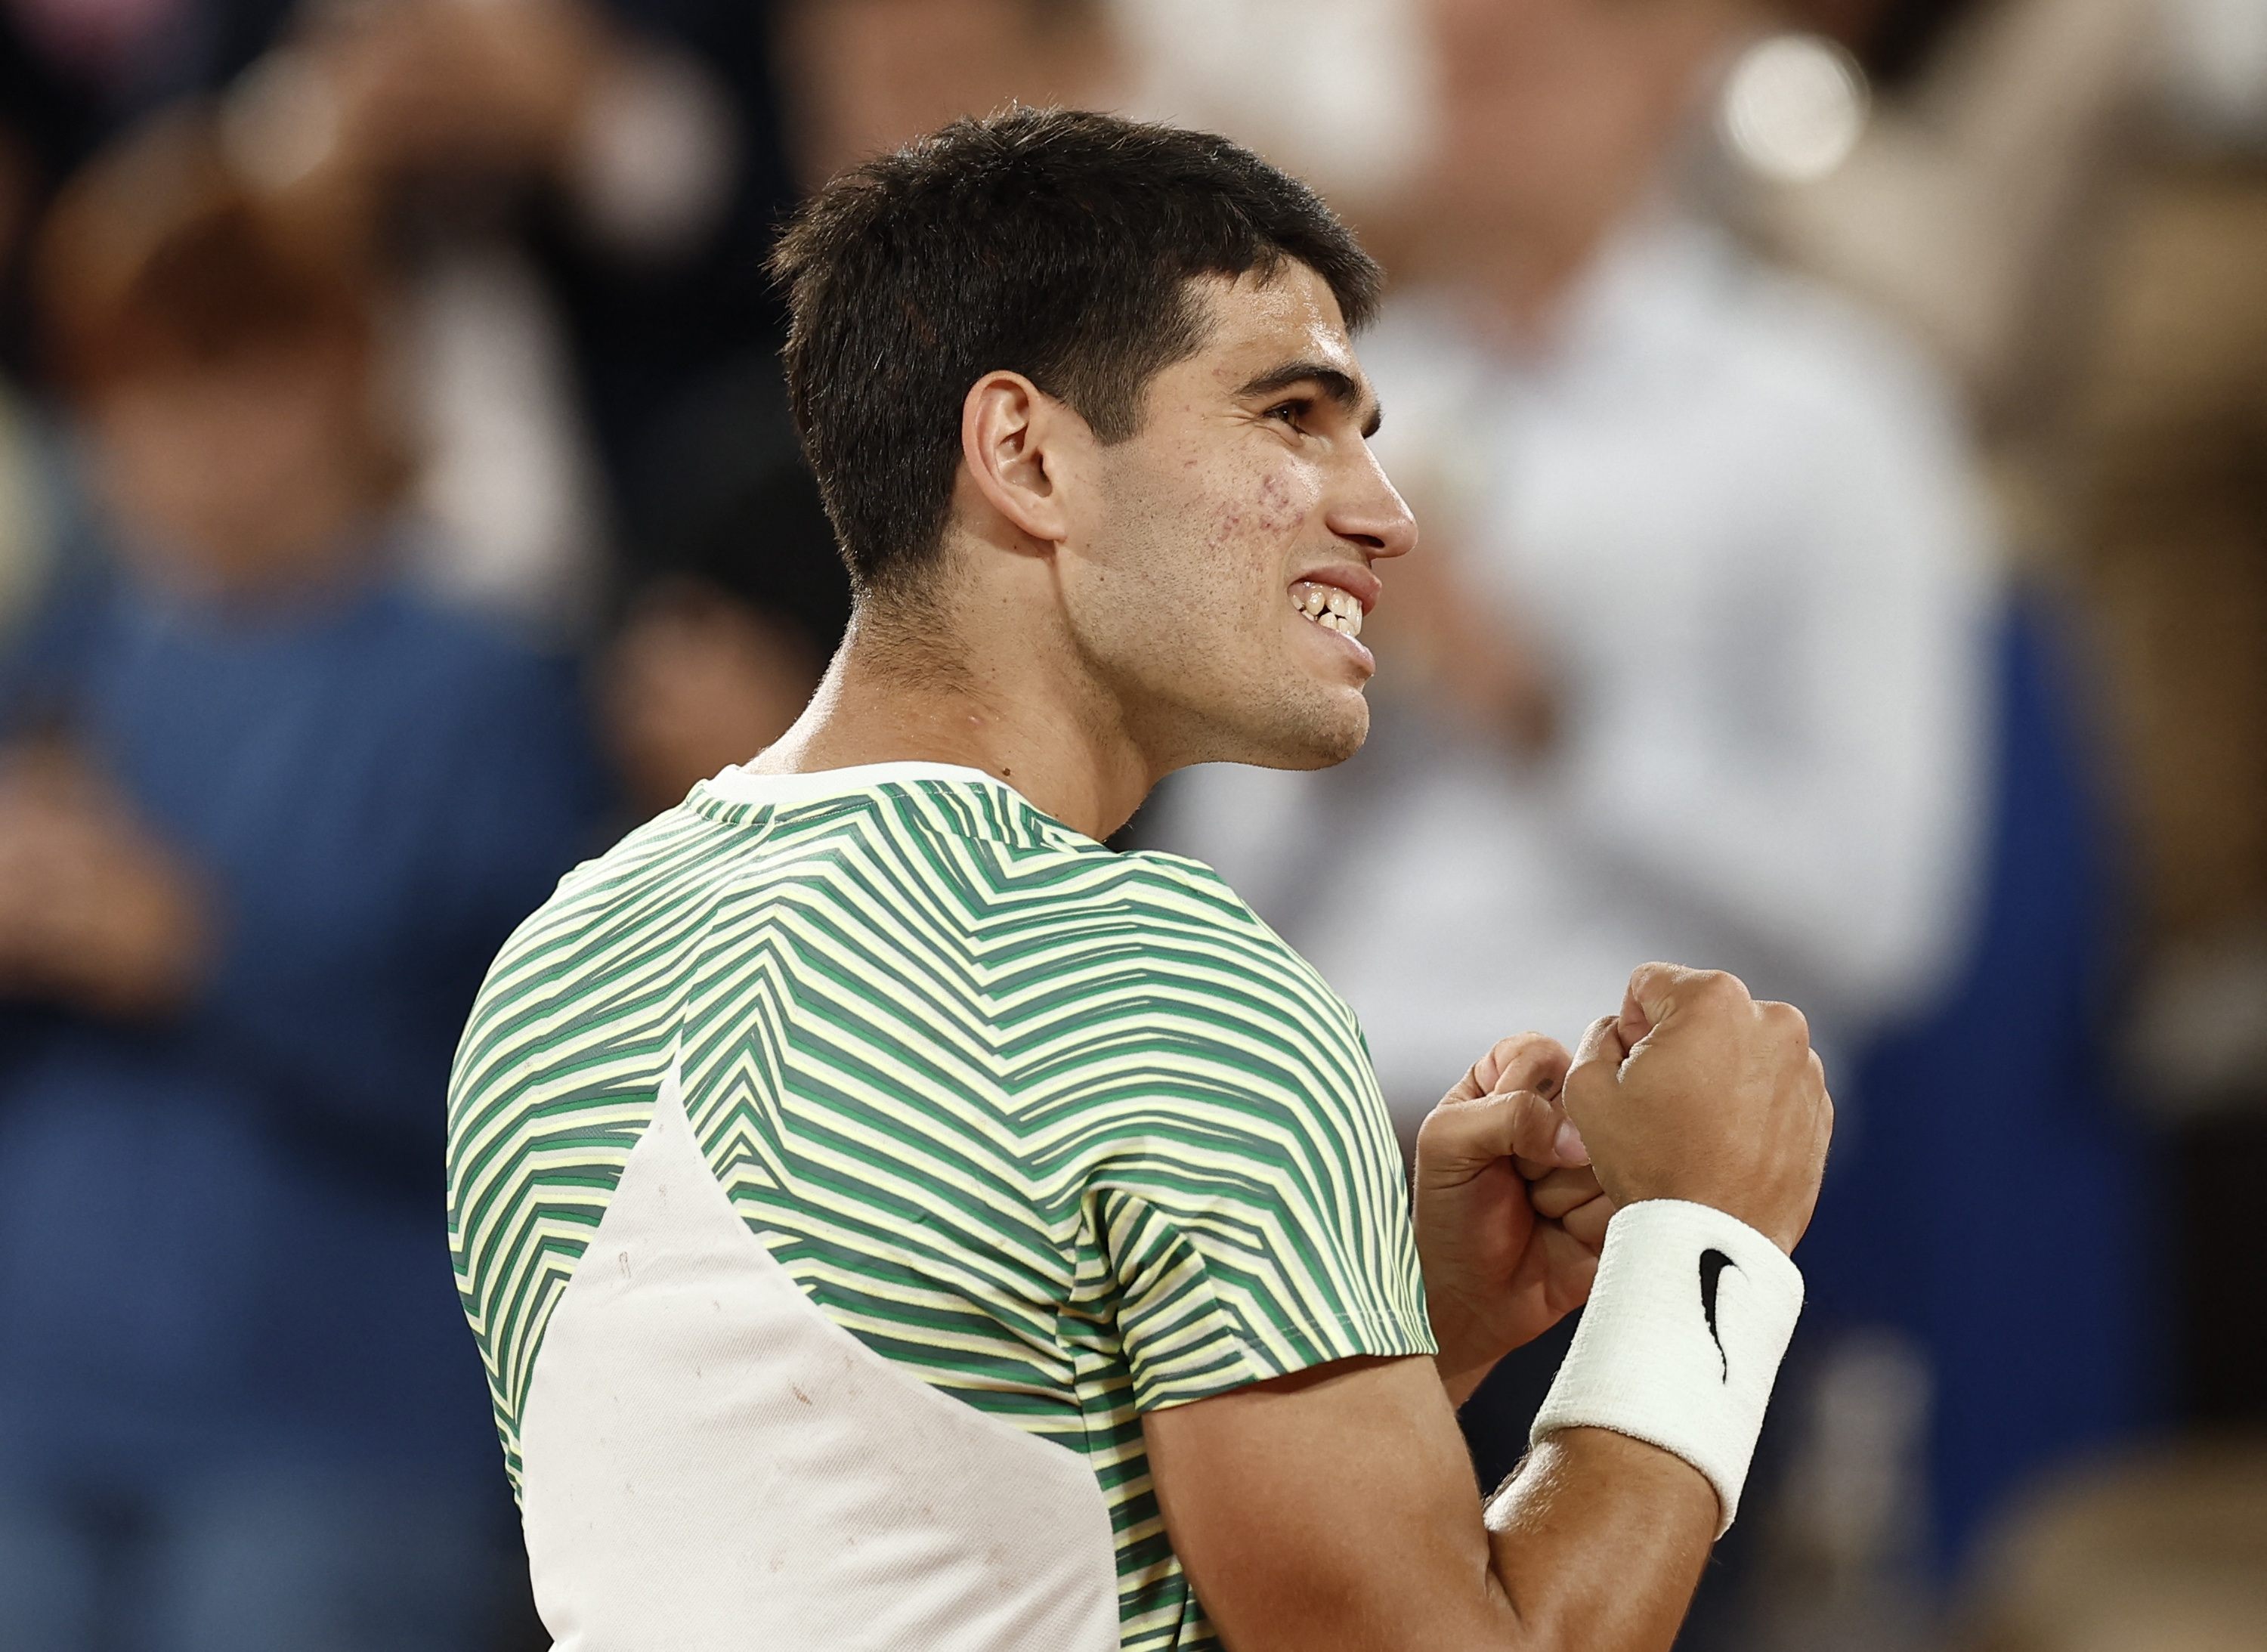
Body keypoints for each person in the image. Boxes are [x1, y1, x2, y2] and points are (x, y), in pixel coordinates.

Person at [450, 108, 1833, 1650]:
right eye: (1293, 418)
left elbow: (914, 1527)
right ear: (1029, 456)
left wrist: (1385, 1322)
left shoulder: (559, 969)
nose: (1382, 512)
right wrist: (1702, 1247)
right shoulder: (1156, 983)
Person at [0, 111, 604, 1650]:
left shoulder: (483, 686)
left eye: (232, 373)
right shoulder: (62, 663)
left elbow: (541, 1096)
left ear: (345, 369)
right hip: (43, 1409)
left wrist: (206, 953)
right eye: (138, 384)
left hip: (337, 1433)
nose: (188, 433)